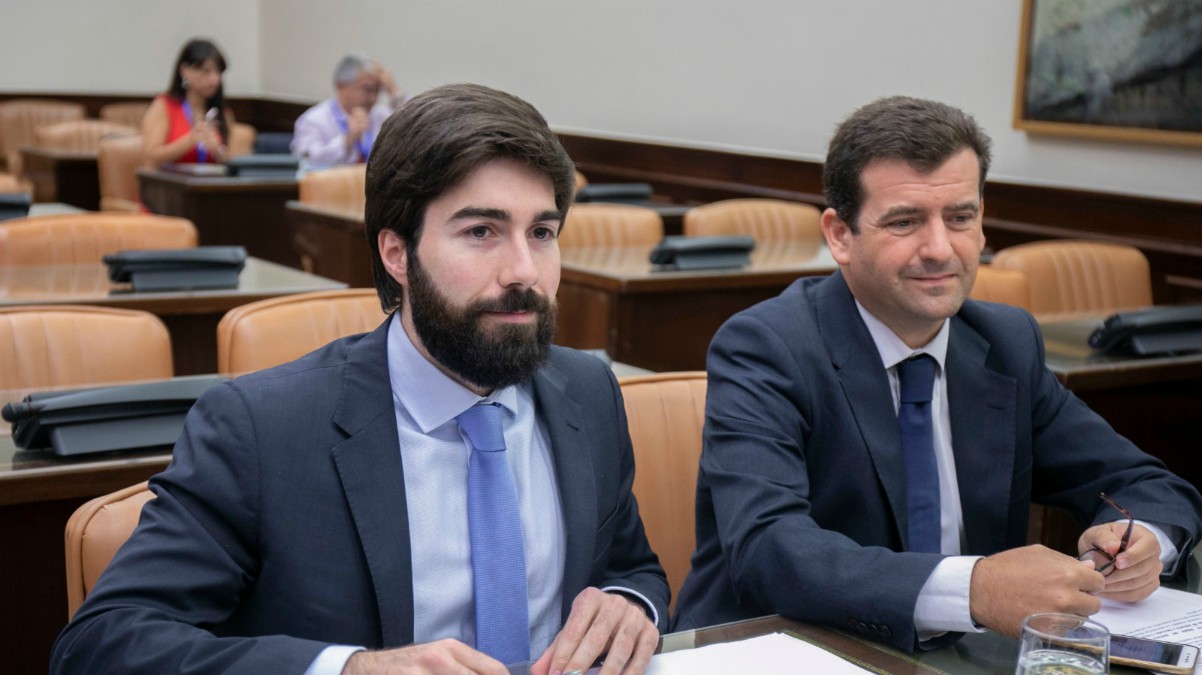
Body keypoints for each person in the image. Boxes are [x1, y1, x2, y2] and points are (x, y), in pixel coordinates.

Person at [52, 83, 668, 675]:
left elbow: (629, 567)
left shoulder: (587, 391)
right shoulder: (262, 429)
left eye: (542, 233)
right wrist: (347, 669)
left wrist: (630, 604)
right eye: (481, 232)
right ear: (397, 254)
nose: (523, 270)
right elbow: (104, 642)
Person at [673, 95, 1202, 651]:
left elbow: (1146, 485)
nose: (939, 248)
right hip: (785, 647)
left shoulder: (1005, 341)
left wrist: (1142, 542)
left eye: (960, 218)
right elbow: (769, 549)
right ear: (839, 235)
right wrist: (972, 590)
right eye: (904, 222)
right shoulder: (766, 346)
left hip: (959, 656)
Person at [291, 53, 404, 167]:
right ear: (342, 86)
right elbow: (307, 161)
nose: (373, 98)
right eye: (368, 89)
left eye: (378, 91)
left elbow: (410, 131)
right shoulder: (313, 120)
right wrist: (347, 139)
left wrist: (393, 90)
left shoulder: (379, 114)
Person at [141, 38, 234, 167]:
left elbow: (234, 160)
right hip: (169, 184)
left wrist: (218, 151)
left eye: (218, 72)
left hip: (210, 185)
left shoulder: (222, 112)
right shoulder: (164, 106)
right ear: (185, 70)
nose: (214, 80)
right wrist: (190, 140)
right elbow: (150, 157)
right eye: (206, 71)